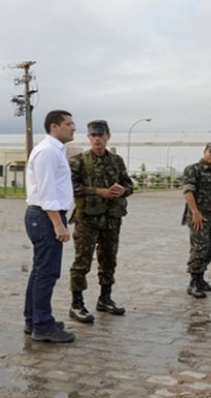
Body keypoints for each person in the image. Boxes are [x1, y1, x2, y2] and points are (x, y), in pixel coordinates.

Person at [68, 120, 133, 323]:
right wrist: (97, 191)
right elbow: (69, 186)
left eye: (101, 135)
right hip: (87, 218)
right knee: (82, 262)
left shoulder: (116, 161)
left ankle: (105, 299)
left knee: (109, 260)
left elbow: (128, 184)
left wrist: (124, 190)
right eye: (93, 136)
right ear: (88, 137)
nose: (97, 139)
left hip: (111, 219)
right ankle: (76, 304)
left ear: (108, 136)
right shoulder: (79, 161)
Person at [23, 110, 76, 343]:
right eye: (68, 124)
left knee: (39, 271)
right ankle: (42, 325)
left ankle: (33, 319)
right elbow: (47, 192)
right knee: (46, 272)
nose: (73, 127)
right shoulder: (47, 152)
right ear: (54, 127)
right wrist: (58, 224)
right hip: (46, 217)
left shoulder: (55, 150)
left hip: (45, 215)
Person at [181, 142, 211, 298]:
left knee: (209, 250)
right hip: (198, 217)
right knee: (199, 248)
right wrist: (195, 212)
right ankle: (193, 283)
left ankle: (201, 280)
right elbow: (188, 191)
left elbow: (210, 192)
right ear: (205, 151)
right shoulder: (193, 169)